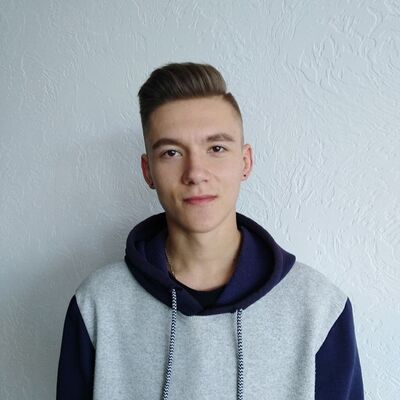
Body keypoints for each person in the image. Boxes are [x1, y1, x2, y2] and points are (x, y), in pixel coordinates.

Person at [56, 62, 364, 400]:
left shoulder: (319, 308)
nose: (195, 172)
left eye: (216, 148)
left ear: (245, 162)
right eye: (172, 152)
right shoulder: (97, 304)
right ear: (148, 171)